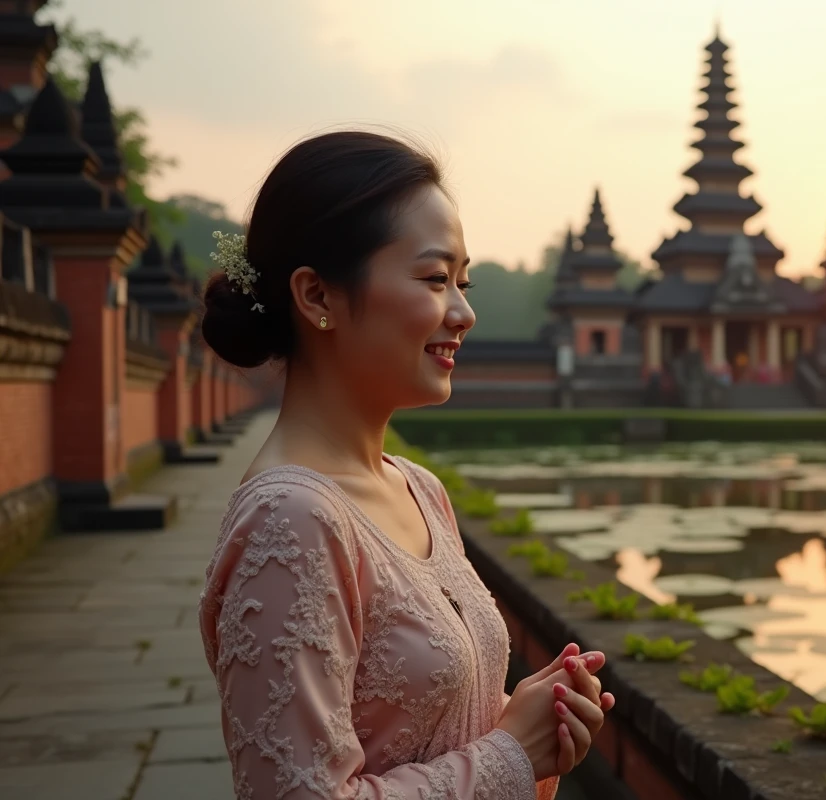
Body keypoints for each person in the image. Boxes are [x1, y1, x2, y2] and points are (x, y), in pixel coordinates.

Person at [197, 130, 614, 799]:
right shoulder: (293, 521)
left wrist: (531, 721)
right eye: (434, 279)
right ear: (318, 297)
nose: (464, 312)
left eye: (464, 281)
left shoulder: (419, 489)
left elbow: (432, 734)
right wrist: (512, 754)